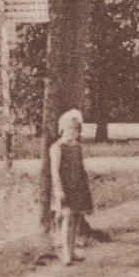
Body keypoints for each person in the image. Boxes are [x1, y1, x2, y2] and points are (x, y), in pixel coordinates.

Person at [50, 109, 95, 266]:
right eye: (70, 128)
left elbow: (80, 168)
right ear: (62, 128)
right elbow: (54, 170)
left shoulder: (77, 146)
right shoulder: (57, 147)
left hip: (78, 186)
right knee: (67, 218)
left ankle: (72, 249)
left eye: (76, 129)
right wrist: (58, 190)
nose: (73, 132)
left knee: (76, 218)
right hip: (65, 187)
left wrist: (85, 185)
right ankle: (65, 252)